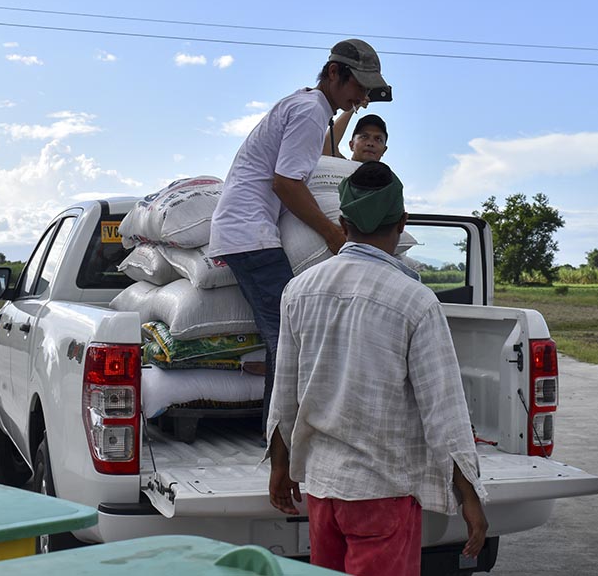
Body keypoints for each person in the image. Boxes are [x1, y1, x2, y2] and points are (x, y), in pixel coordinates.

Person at [266, 161, 488, 576]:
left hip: (322, 493)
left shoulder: (298, 291)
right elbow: (444, 410)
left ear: (342, 222)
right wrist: (469, 495)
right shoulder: (415, 301)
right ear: (402, 223)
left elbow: (286, 391)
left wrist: (281, 467)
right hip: (383, 494)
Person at [208, 39, 390, 436]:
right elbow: (287, 185)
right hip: (249, 234)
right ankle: (280, 441)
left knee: (285, 337)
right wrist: (332, 235)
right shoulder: (311, 111)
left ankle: (279, 438)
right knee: (289, 340)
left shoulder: (309, 107)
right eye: (358, 85)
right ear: (333, 73)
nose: (362, 98)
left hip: (247, 230)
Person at [321, 109, 389, 163]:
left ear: (384, 150)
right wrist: (352, 108)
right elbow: (327, 145)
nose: (370, 143)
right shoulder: (340, 165)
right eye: (364, 137)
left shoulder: (390, 179)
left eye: (378, 139)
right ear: (351, 145)